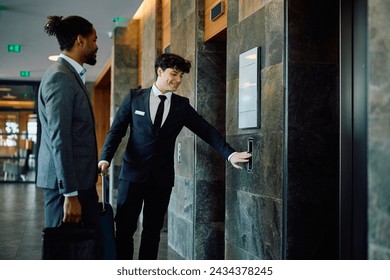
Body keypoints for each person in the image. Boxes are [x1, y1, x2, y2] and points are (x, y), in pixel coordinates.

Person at [98, 53, 252, 260]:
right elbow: (116, 131)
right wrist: (105, 158)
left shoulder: (181, 105)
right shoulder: (135, 98)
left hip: (161, 180)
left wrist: (230, 154)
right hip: (132, 175)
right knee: (124, 229)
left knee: (152, 232)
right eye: (174, 74)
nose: (178, 80)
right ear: (160, 71)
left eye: (181, 76)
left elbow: (206, 130)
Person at [37, 15, 102, 257]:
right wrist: (70, 194)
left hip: (78, 184)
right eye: (94, 40)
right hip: (66, 188)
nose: (97, 45)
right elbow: (59, 138)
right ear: (80, 40)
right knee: (62, 256)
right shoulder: (60, 77)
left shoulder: (69, 75)